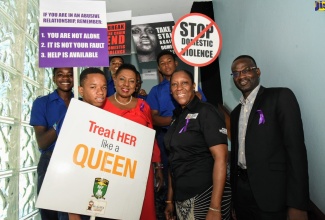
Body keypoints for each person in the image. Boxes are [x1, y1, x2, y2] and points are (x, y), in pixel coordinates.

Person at [230, 55, 309, 220]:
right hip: (242, 195)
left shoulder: (280, 97)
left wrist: (298, 204)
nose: (241, 76)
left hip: (273, 196)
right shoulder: (235, 113)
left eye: (246, 70)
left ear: (257, 72)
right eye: (236, 73)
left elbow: (296, 151)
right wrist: (234, 202)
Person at [146, 50, 207, 220]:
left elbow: (203, 111)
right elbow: (154, 118)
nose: (167, 65)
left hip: (192, 139)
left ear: (176, 63)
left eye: (169, 61)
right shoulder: (156, 91)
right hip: (166, 138)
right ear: (159, 67)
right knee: (169, 175)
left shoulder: (193, 86)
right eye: (163, 63)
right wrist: (176, 121)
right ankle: (170, 207)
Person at [164, 70, 231, 220]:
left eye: (184, 83)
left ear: (193, 86)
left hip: (205, 195)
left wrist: (215, 207)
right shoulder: (177, 117)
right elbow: (173, 159)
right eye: (174, 84)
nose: (179, 87)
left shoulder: (206, 111)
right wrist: (170, 199)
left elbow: (221, 157)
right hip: (182, 198)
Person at [102, 63, 164, 220]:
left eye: (131, 81)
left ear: (136, 85)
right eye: (122, 79)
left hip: (141, 169)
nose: (126, 85)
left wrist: (158, 166)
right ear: (114, 80)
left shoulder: (144, 106)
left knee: (143, 210)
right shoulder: (102, 105)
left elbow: (151, 137)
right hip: (111, 168)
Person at [30, 67, 74, 220]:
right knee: (50, 213)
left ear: (75, 79)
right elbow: (42, 142)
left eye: (70, 75)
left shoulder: (82, 104)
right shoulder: (42, 103)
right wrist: (61, 122)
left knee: (72, 210)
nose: (65, 78)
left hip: (76, 162)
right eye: (60, 75)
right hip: (50, 161)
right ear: (54, 78)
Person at [68, 67, 108, 220]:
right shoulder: (73, 118)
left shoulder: (108, 119)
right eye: (93, 87)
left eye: (103, 87)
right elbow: (68, 167)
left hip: (98, 194)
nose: (100, 92)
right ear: (81, 90)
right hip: (77, 199)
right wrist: (72, 212)